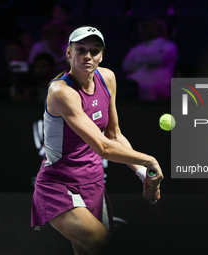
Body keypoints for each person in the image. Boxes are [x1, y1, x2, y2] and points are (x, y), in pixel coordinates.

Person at [31, 26, 164, 255]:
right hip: (59, 185)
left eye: (94, 51)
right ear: (69, 53)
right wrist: (149, 160)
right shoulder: (61, 92)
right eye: (81, 49)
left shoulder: (108, 78)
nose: (88, 56)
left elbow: (113, 135)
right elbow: (103, 146)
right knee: (102, 244)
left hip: (94, 184)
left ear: (101, 55)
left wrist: (143, 174)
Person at [122, 15, 178, 100]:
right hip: (136, 80)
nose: (148, 29)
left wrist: (139, 61)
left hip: (160, 83)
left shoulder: (169, 46)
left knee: (146, 88)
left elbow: (158, 59)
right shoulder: (136, 48)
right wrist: (147, 61)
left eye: (152, 26)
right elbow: (126, 66)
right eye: (146, 27)